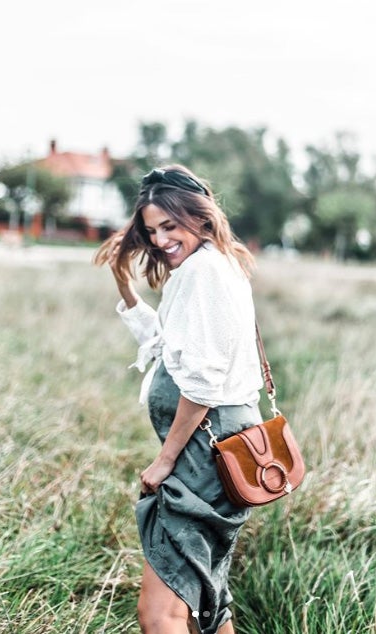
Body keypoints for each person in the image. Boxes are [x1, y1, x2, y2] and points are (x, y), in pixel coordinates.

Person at [94, 164, 263, 634]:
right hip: (212, 446)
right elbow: (171, 350)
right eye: (151, 230)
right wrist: (123, 283)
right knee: (205, 603)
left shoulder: (205, 271)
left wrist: (165, 460)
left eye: (171, 225)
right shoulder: (204, 266)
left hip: (203, 454)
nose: (161, 239)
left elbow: (204, 382)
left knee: (161, 613)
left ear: (201, 217)